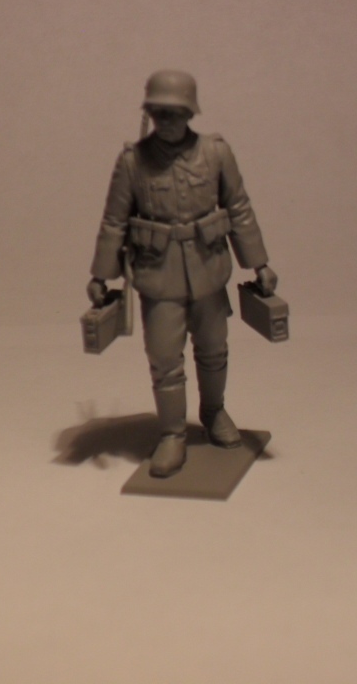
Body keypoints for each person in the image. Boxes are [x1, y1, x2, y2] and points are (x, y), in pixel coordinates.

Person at [87, 69, 278, 478]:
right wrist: (102, 275)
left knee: (214, 348)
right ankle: (172, 433)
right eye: (159, 112)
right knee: (163, 358)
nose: (167, 121)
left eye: (174, 113)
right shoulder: (132, 162)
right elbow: (114, 221)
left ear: (191, 112)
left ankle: (214, 411)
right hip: (158, 275)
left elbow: (239, 207)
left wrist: (258, 263)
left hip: (209, 269)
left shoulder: (216, 153)